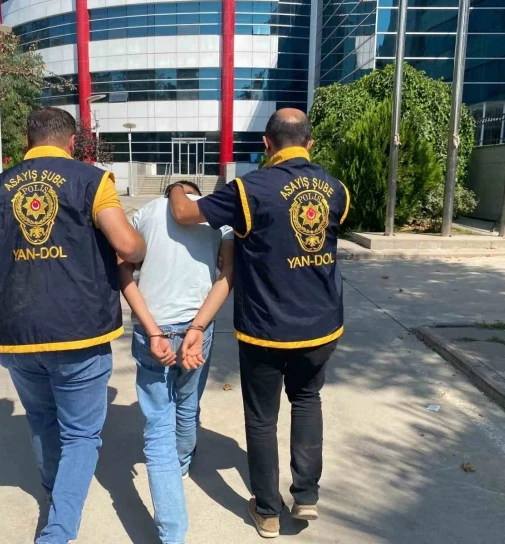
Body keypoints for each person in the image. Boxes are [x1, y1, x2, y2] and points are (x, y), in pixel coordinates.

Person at [0, 107, 145, 544]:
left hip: (15, 335)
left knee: (41, 418)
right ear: (72, 142)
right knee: (81, 435)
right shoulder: (93, 182)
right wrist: (140, 246)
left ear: (26, 141)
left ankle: (56, 491)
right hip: (80, 332)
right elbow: (128, 245)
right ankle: (57, 530)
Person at [168, 108, 350, 538]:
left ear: (266, 144)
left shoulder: (248, 190)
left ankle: (267, 511)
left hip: (265, 328)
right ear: (310, 144)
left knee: (262, 418)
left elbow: (185, 214)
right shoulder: (335, 189)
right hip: (321, 325)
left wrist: (177, 188)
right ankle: (306, 496)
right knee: (307, 400)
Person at [119, 179, 234, 544]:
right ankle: (181, 465)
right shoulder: (218, 219)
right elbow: (227, 275)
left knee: (157, 424)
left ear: (171, 191)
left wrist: (152, 329)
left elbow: (123, 269)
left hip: (151, 326)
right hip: (197, 326)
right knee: (187, 402)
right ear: (195, 193)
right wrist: (198, 326)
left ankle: (172, 532)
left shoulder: (146, 213)